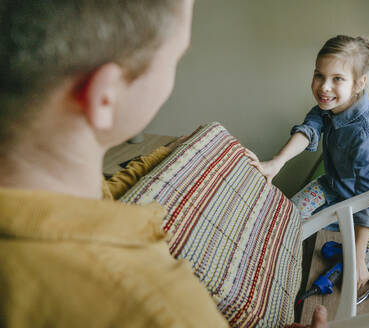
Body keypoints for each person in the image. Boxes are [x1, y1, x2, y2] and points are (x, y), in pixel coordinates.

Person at [0, 0, 329, 327]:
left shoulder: (60, 187)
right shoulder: (167, 311)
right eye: (175, 59)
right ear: (105, 95)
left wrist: (171, 154)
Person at [246, 35, 369, 290]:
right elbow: (309, 130)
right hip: (332, 185)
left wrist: (356, 259)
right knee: (285, 218)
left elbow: (368, 199)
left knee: (292, 233)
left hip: (365, 203)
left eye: (337, 79)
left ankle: (279, 279)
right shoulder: (329, 106)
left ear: (360, 83)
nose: (324, 87)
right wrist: (276, 163)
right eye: (319, 75)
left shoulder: (368, 133)